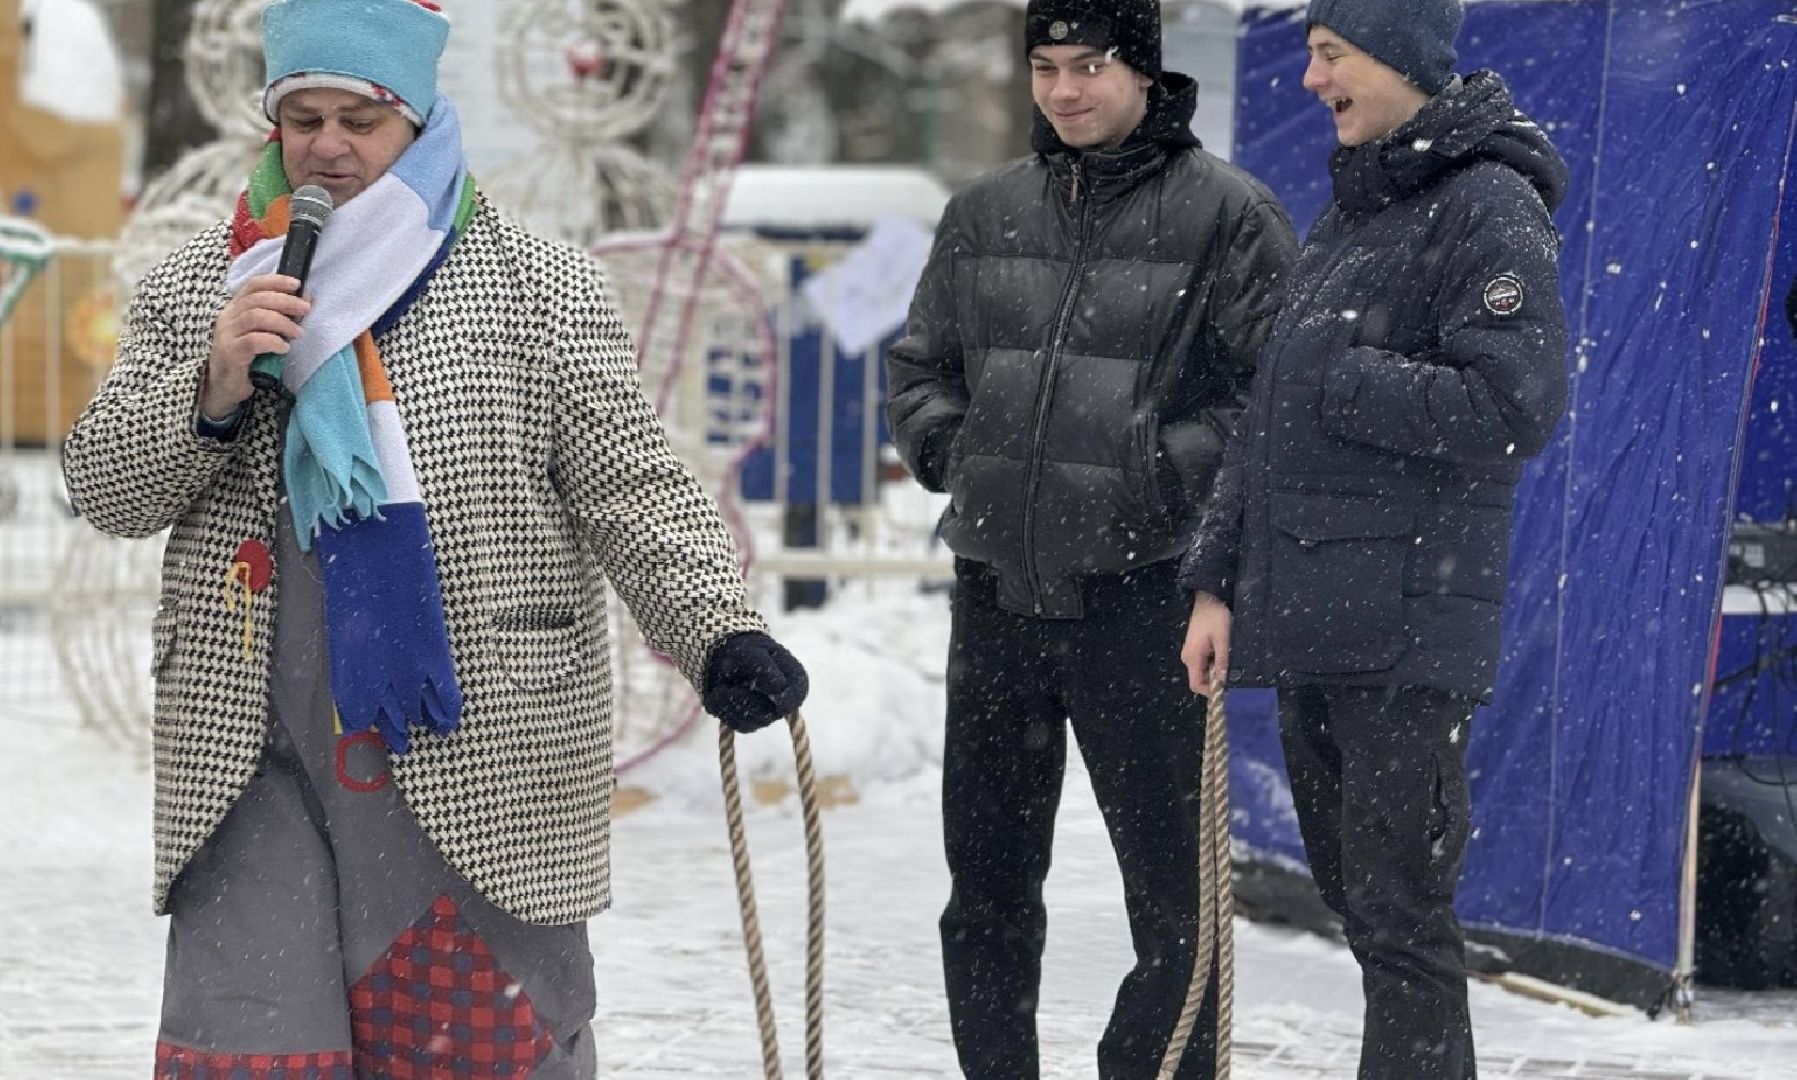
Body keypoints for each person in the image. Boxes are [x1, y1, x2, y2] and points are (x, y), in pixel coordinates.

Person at [61, 1, 808, 1075]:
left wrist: (717, 632)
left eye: (359, 118)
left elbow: (632, 482)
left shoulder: (533, 283)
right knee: (251, 1046)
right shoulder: (205, 286)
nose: (327, 144)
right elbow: (106, 489)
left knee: (466, 1045)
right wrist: (216, 384)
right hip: (253, 754)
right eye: (303, 117)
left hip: (466, 738)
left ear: (415, 117)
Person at [886, 1, 1297, 1075]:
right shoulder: (982, 213)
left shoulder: (1231, 214)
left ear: (1145, 71)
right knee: (984, 893)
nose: (1065, 91)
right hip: (998, 594)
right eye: (1046, 67)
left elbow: (1277, 399)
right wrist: (954, 451)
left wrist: (1152, 470)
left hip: (1143, 598)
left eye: (1091, 66)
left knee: (1175, 901)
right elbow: (918, 364)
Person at [1178, 2, 1571, 1077]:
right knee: (1366, 916)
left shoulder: (1486, 204)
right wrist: (1215, 579)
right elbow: (1268, 422)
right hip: (1316, 619)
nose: (1310, 79)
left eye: (1331, 55)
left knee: (1401, 929)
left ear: (1396, 60)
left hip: (1404, 633)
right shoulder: (1356, 207)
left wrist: (1343, 381)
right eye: (1309, 53)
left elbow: (1514, 405)